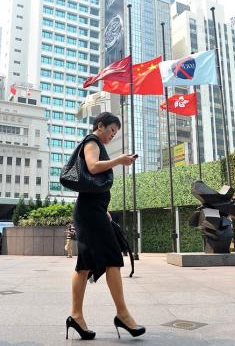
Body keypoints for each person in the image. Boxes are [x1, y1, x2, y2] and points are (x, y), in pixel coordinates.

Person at [66, 112, 145, 340]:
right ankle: (122, 314)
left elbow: (93, 187)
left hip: (93, 212)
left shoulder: (96, 142)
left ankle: (76, 316)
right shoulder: (92, 141)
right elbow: (92, 167)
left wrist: (104, 211)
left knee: (84, 265)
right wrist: (119, 160)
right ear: (100, 126)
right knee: (112, 258)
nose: (112, 135)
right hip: (90, 213)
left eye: (115, 132)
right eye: (111, 130)